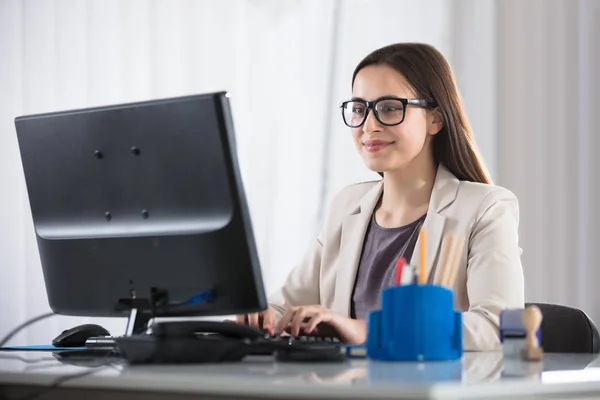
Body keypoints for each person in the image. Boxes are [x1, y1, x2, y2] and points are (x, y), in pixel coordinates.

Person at [236, 42, 524, 351]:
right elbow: (286, 306)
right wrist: (263, 317)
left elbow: (495, 326)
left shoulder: (485, 208)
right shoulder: (347, 206)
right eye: (359, 109)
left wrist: (367, 330)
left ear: (435, 119)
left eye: (389, 108)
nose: (368, 126)